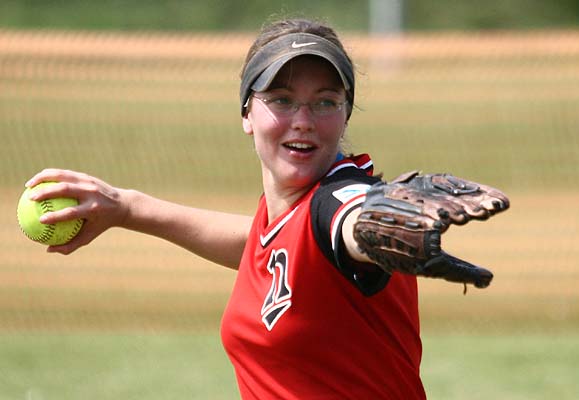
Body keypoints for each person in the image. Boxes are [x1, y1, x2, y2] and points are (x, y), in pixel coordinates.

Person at [25, 18, 427, 399]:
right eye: (282, 100)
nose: (303, 120)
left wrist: (381, 224)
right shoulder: (289, 221)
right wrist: (128, 208)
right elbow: (264, 247)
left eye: (325, 102)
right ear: (247, 113)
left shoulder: (340, 198)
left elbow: (351, 220)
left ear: (345, 115)